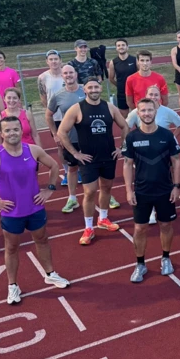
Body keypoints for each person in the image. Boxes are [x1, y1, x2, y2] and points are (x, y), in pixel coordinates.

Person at [0, 116, 70, 305]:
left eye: (15, 129)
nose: (12, 133)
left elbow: (54, 166)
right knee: (12, 248)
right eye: (7, 130)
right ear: (1, 133)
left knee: (42, 239)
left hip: (35, 208)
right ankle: (13, 286)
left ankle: (50, 274)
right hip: (12, 213)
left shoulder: (33, 150)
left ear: (21, 131)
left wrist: (49, 190)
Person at [57, 78, 130, 246]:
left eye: (96, 86)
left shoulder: (109, 107)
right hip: (88, 159)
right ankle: (88, 227)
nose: (94, 89)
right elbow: (62, 132)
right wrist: (75, 153)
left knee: (106, 188)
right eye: (90, 87)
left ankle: (103, 219)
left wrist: (121, 148)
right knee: (89, 192)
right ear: (85, 90)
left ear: (100, 89)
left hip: (108, 157)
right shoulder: (77, 109)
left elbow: (125, 127)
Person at [123, 98, 180, 282]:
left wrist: (176, 186)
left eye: (150, 110)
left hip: (165, 190)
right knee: (140, 228)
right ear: (138, 113)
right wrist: (128, 190)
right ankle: (140, 264)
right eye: (143, 110)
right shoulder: (132, 137)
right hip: (142, 191)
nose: (147, 113)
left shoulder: (166, 134)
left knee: (165, 225)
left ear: (156, 111)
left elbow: (176, 161)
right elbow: (127, 164)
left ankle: (165, 257)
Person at [46, 65, 87, 213]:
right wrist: (55, 134)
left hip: (89, 138)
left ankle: (106, 195)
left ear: (76, 74)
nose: (68, 75)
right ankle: (72, 198)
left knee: (95, 167)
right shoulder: (58, 96)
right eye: (65, 73)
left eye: (71, 72)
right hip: (70, 139)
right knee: (72, 168)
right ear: (62, 76)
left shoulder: (86, 90)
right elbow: (48, 115)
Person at [108, 38, 138, 112]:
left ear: (127, 47)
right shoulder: (113, 62)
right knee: (124, 118)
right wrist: (119, 85)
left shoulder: (135, 60)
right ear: (116, 48)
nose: (121, 47)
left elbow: (140, 74)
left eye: (123, 45)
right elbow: (111, 78)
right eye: (118, 45)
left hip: (135, 91)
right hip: (122, 93)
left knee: (138, 114)